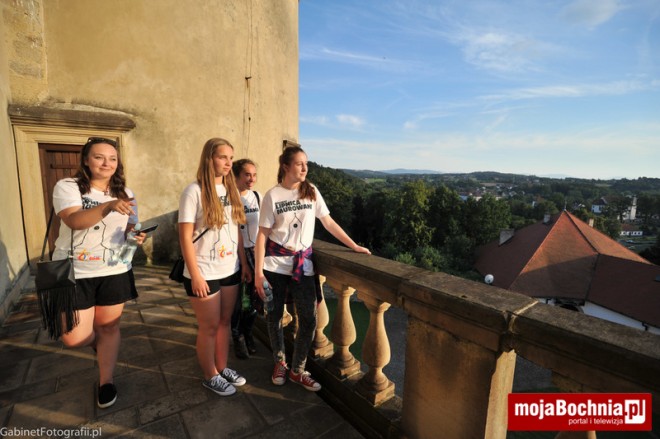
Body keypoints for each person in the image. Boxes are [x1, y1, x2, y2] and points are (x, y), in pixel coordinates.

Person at [254, 145, 370, 392]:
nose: (305, 168)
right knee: (274, 317)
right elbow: (262, 235)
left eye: (306, 163)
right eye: (299, 163)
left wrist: (353, 245)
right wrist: (258, 273)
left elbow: (328, 222)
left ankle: (297, 370)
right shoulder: (272, 195)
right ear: (286, 166)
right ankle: (280, 363)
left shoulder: (311, 191)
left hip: (303, 266)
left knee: (308, 319)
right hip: (274, 266)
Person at [53, 136, 146, 409]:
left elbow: (130, 226)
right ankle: (100, 344)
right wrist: (106, 206)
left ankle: (106, 381)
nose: (107, 163)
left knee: (109, 327)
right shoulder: (68, 186)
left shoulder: (125, 192)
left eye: (112, 158)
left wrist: (135, 236)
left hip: (114, 268)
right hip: (74, 270)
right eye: (99, 157)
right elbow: (74, 220)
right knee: (72, 337)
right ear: (85, 160)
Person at [178, 137, 250, 397]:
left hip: (229, 268)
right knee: (208, 327)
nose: (228, 163)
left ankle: (222, 367)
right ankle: (210, 375)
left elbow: (236, 230)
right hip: (204, 270)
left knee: (224, 322)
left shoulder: (232, 191)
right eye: (222, 157)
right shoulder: (193, 191)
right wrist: (195, 275)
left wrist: (243, 263)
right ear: (209, 159)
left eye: (231, 158)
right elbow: (185, 237)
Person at [230, 159, 260, 359]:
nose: (252, 179)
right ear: (236, 176)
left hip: (255, 254)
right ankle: (237, 336)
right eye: (247, 175)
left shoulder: (257, 196)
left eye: (254, 175)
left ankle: (248, 334)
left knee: (254, 299)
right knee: (238, 300)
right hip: (235, 255)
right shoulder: (228, 198)